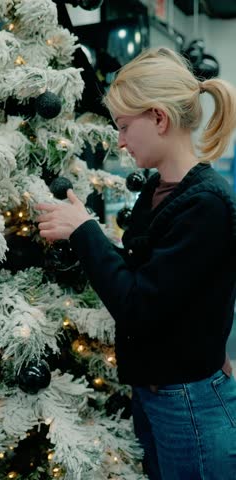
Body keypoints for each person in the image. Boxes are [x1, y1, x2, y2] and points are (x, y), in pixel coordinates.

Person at [36, 47, 236, 480]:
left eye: (126, 127)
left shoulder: (205, 204)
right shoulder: (158, 191)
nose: (121, 141)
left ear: (159, 119)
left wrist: (85, 232)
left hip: (190, 405)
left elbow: (141, 307)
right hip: (160, 396)